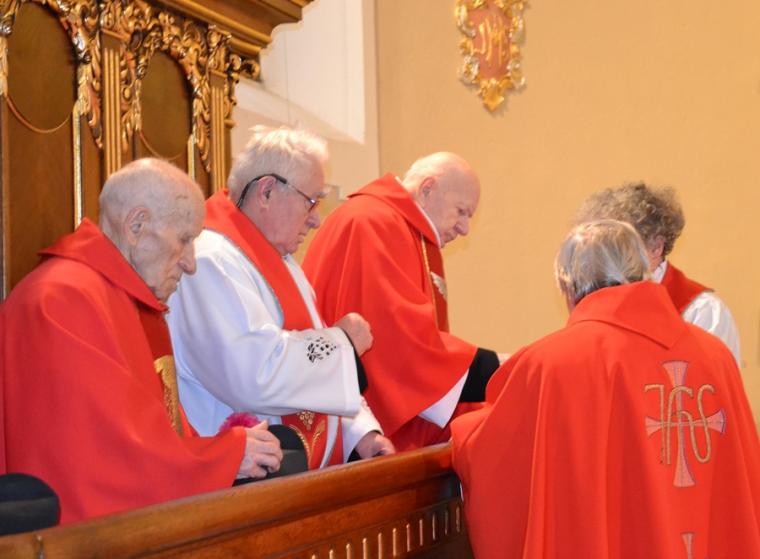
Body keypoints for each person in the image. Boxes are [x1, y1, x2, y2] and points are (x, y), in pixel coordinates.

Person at [451, 220, 760, 559]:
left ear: (568, 286)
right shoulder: (715, 356)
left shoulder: (551, 363)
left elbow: (494, 451)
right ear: (642, 271)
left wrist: (462, 430)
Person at [0, 158, 283, 525]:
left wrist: (221, 451)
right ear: (136, 226)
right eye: (184, 240)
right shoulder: (62, 299)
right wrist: (223, 457)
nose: (191, 264)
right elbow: (106, 459)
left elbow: (158, 432)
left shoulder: (128, 301)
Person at [167, 126, 394, 469]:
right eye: (311, 201)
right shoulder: (210, 261)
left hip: (297, 477)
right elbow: (253, 375)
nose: (316, 220)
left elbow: (319, 379)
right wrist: (343, 344)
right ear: (267, 191)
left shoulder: (284, 263)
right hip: (241, 481)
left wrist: (361, 434)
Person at [302, 153, 502, 451]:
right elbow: (394, 342)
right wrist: (498, 367)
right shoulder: (371, 222)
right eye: (461, 211)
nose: (464, 228)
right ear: (427, 188)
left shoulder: (409, 231)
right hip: (353, 427)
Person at [575, 183, 741, 364]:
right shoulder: (595, 303)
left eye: (620, 247)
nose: (607, 258)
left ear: (656, 247)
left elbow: (709, 379)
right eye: (602, 248)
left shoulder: (703, 312)